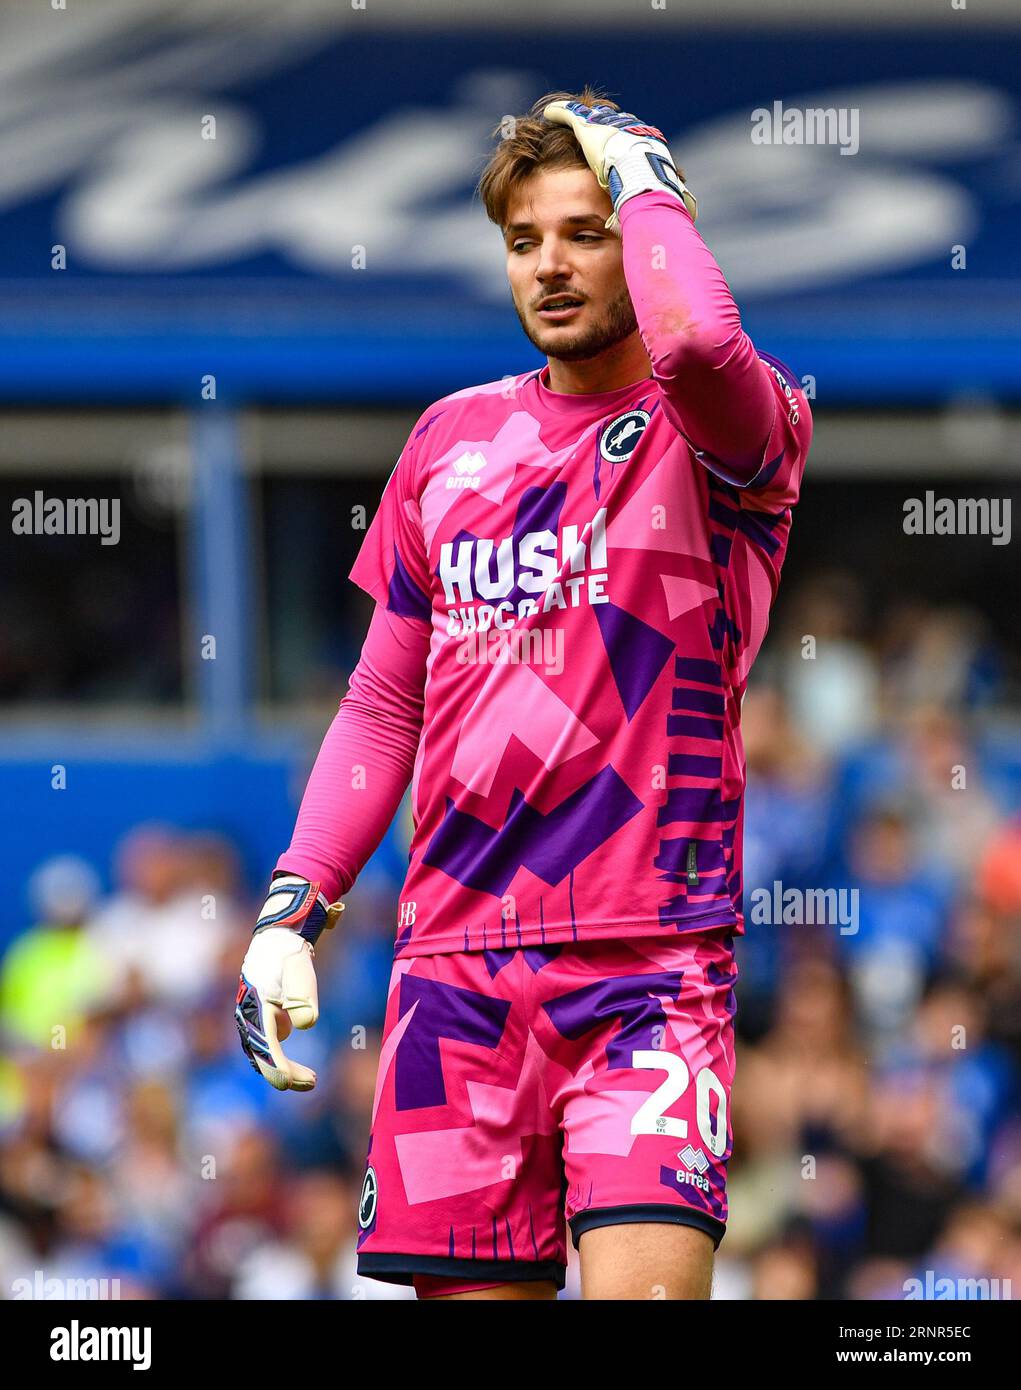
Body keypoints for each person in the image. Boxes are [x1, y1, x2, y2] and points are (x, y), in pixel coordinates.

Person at [235, 88, 812, 1300]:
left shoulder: (723, 431)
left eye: (583, 231)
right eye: (521, 239)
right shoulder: (447, 441)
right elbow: (384, 703)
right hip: (452, 975)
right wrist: (297, 905)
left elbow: (700, 341)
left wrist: (641, 169)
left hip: (649, 967)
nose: (548, 266)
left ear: (646, 233)